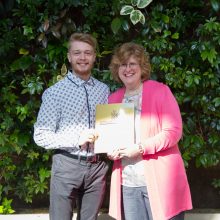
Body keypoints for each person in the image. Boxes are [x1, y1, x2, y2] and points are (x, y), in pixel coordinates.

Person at [107, 42, 192, 220]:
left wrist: (140, 148)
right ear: (117, 69)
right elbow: (111, 139)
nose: (127, 69)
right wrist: (111, 150)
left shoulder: (161, 91)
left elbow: (174, 131)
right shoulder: (113, 99)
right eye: (123, 64)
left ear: (142, 67)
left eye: (132, 64)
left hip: (161, 180)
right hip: (128, 183)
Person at [33, 33, 110, 220]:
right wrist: (76, 139)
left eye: (88, 53)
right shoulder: (54, 93)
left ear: (94, 57)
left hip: (98, 166)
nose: (82, 58)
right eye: (77, 53)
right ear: (69, 57)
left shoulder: (104, 89)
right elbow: (41, 135)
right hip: (67, 164)